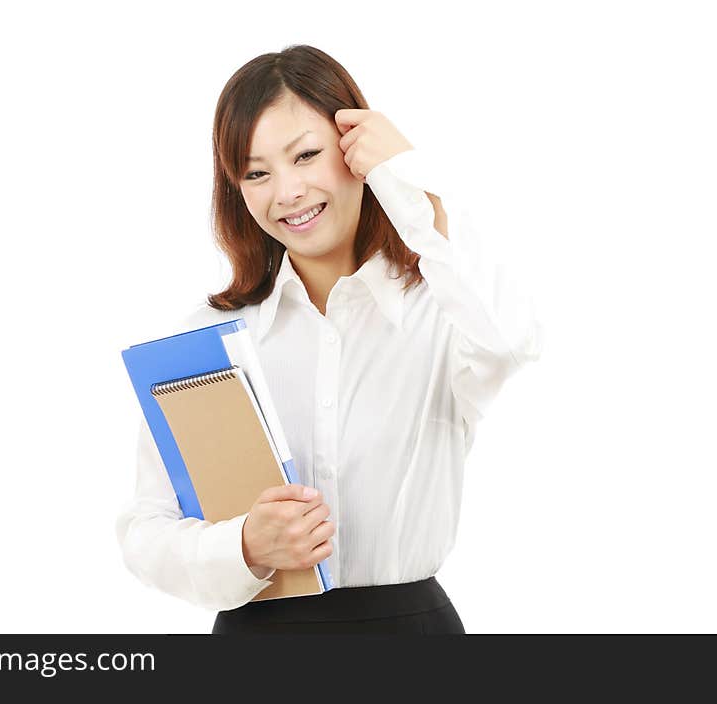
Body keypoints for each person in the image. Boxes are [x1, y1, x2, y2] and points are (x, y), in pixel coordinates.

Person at [115, 45, 543, 634]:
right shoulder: (211, 335)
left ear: (357, 153)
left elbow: (511, 342)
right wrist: (243, 545)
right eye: (257, 172)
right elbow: (148, 528)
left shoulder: (442, 307)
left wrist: (409, 181)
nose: (286, 191)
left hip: (410, 637)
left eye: (307, 155)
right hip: (255, 645)